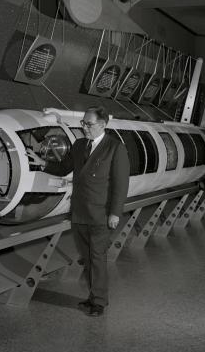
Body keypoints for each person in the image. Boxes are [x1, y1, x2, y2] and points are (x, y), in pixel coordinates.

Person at [27, 106, 129, 317]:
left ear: (102, 125)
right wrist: (43, 163)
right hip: (80, 211)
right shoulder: (80, 144)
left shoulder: (115, 148)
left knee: (97, 257)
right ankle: (93, 297)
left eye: (88, 124)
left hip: (100, 213)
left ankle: (99, 302)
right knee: (88, 257)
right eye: (83, 123)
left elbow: (120, 184)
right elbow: (64, 167)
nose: (84, 127)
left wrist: (115, 213)